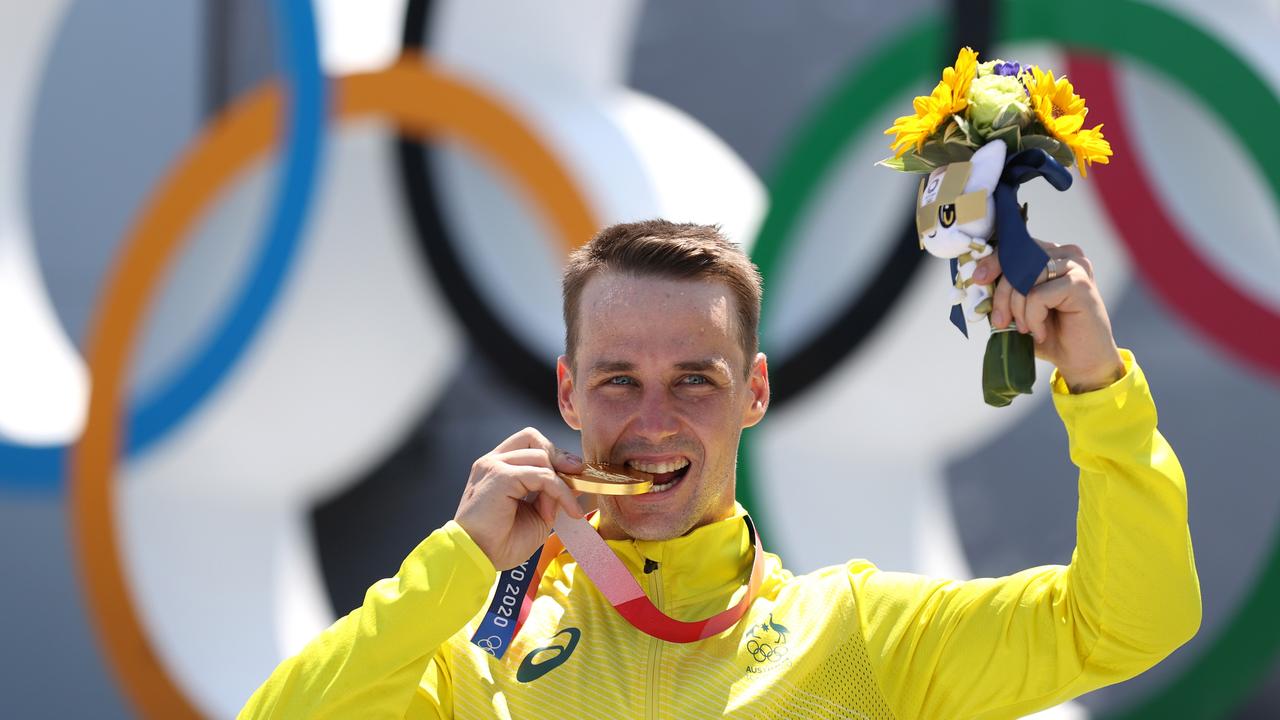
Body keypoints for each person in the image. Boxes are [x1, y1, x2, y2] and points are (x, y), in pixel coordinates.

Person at [240, 220, 1200, 719]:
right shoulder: (476, 651)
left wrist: (1100, 389)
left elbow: (1133, 624)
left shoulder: (859, 635)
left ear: (754, 394)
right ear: (569, 396)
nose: (654, 421)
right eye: (620, 380)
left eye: (694, 380)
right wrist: (456, 561)